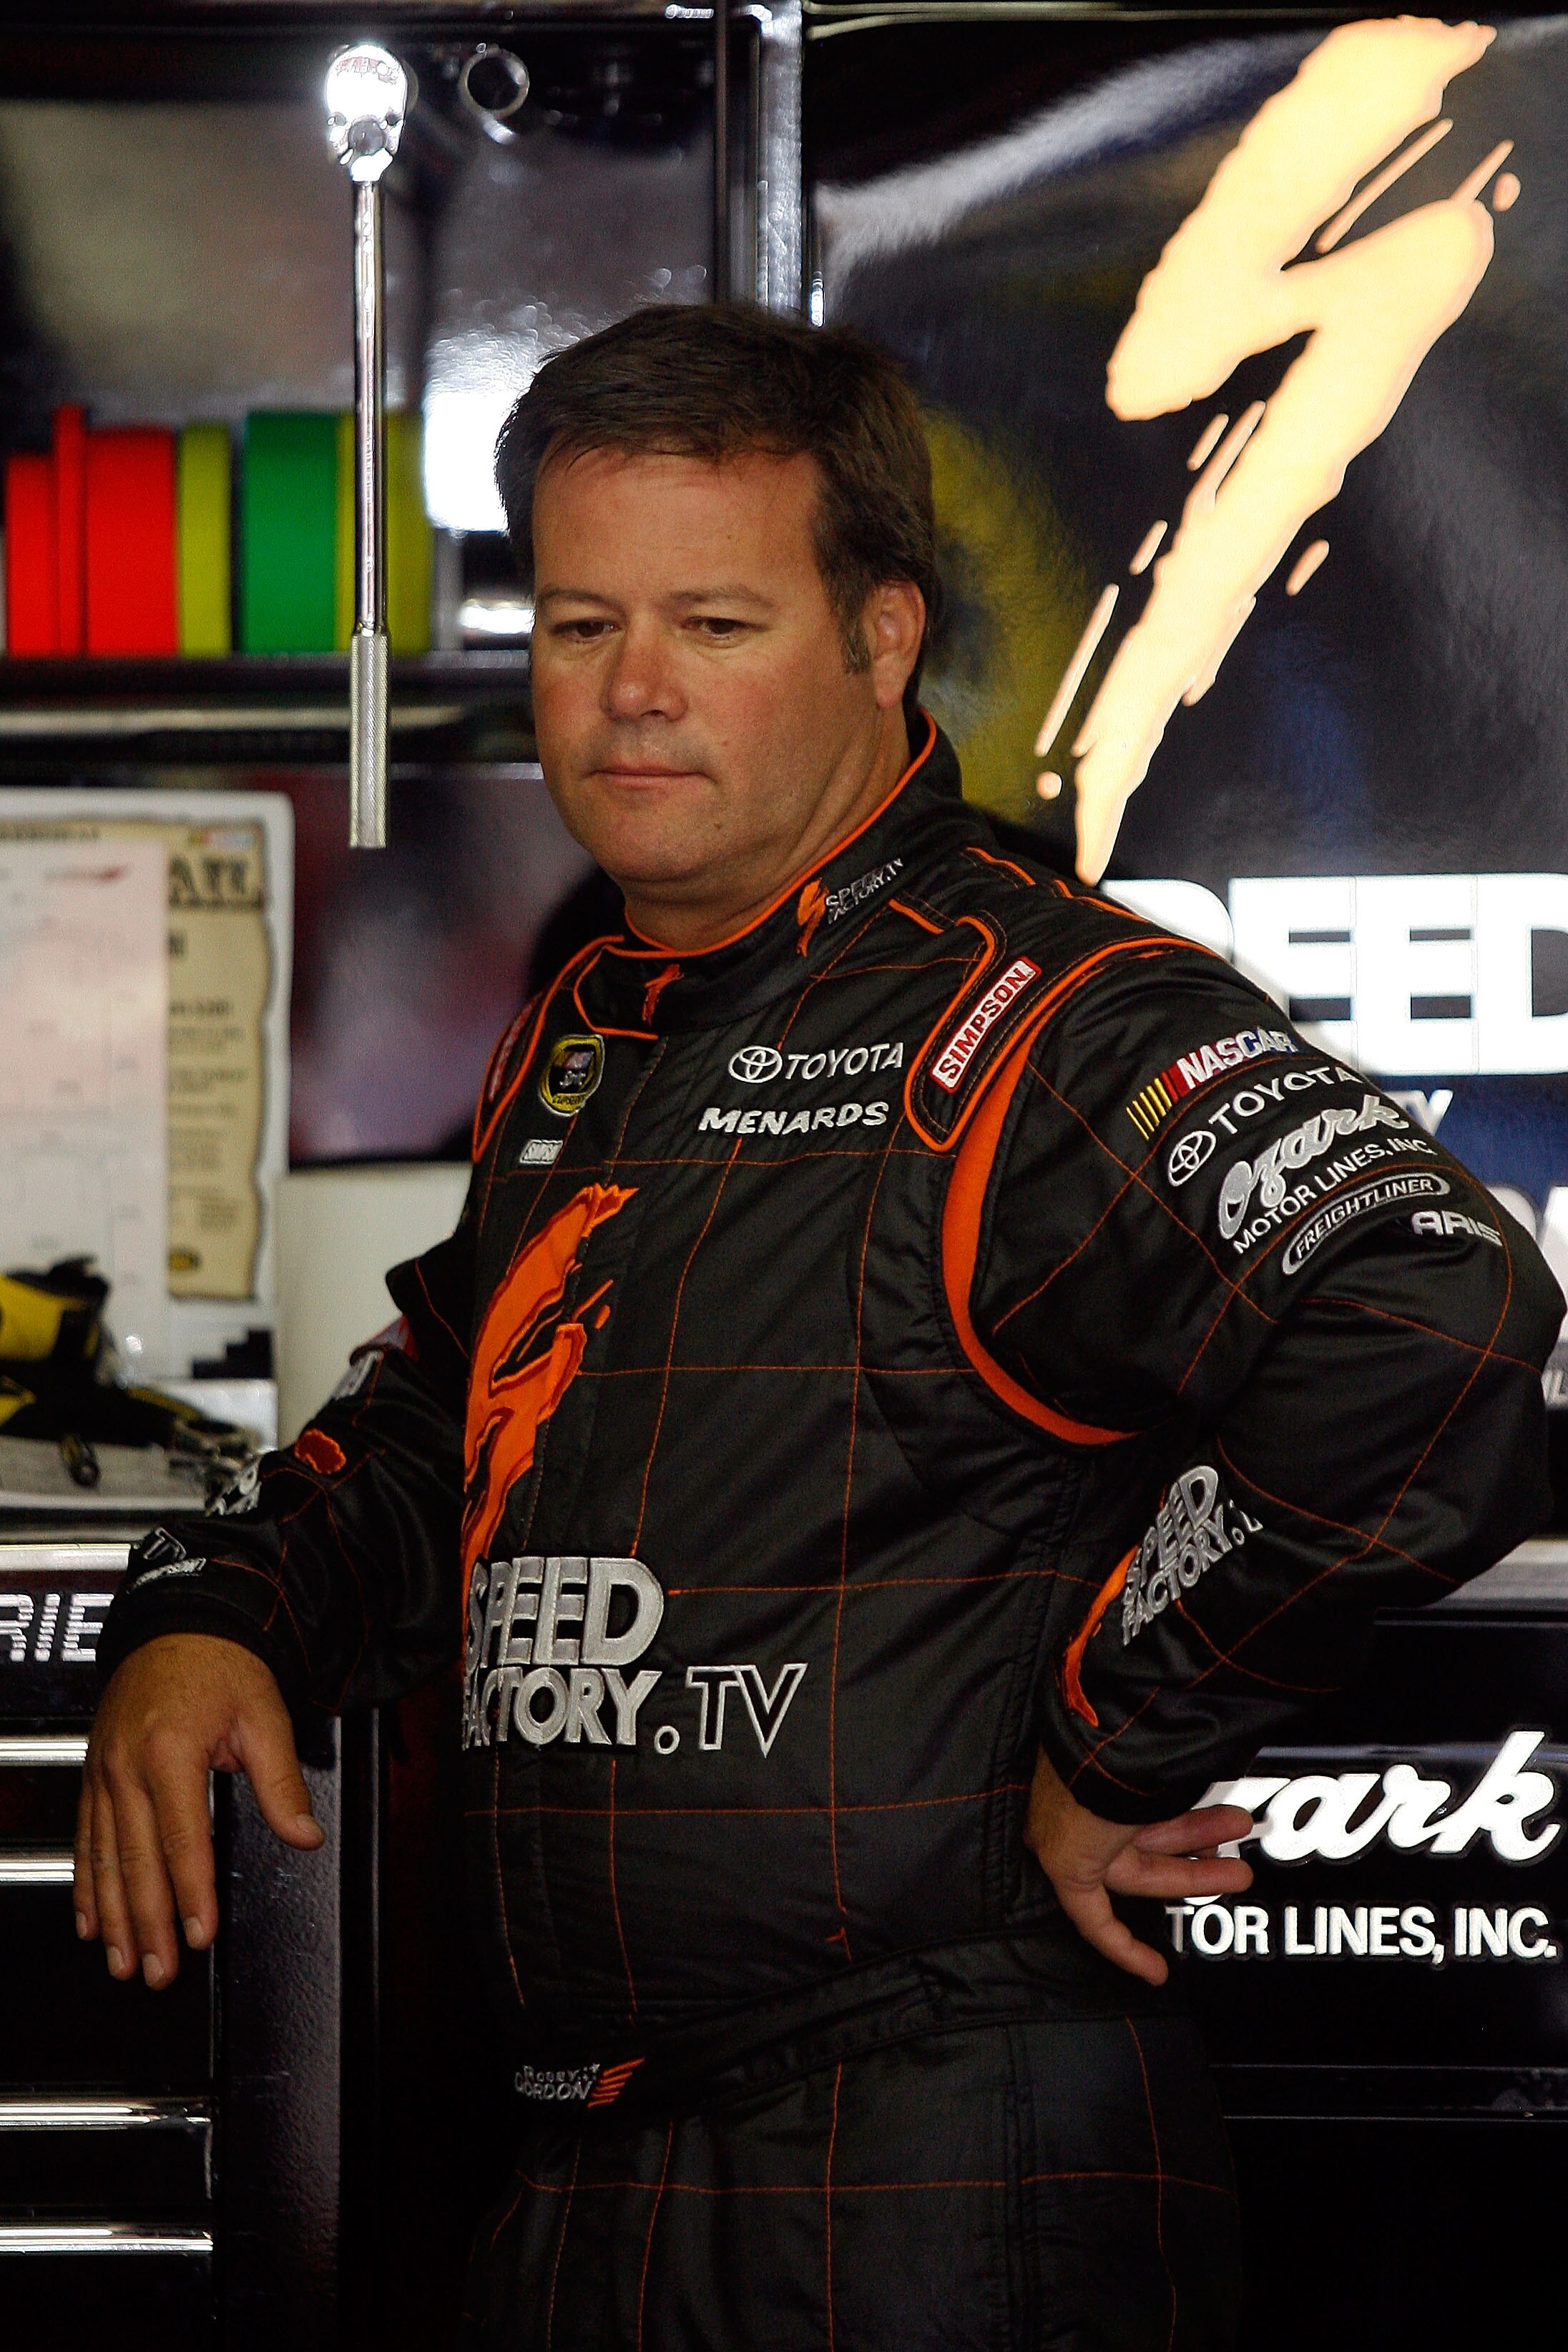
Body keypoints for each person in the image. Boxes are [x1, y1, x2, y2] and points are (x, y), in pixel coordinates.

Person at [79, 305, 1561, 2348]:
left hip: (934, 2183)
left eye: (716, 622)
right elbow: (448, 1400)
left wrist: (1122, 1719)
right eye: (582, 624)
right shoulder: (595, 1029)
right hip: (592, 2177)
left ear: (884, 639)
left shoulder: (1039, 1015)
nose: (634, 695)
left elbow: (1440, 1316)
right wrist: (216, 1606)